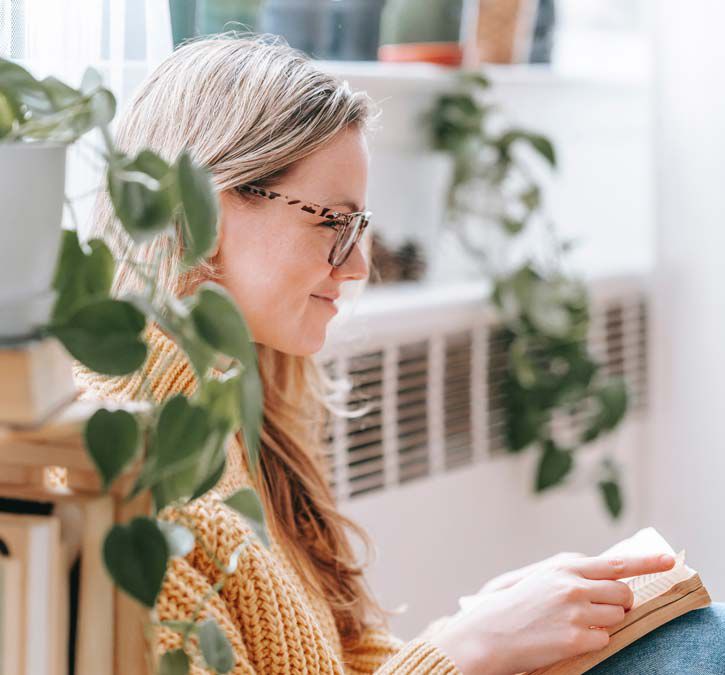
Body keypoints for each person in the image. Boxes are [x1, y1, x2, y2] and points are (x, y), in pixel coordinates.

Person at [74, 35, 725, 674]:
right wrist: (464, 651)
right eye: (332, 221)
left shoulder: (247, 421)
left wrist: (487, 628)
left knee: (700, 630)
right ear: (206, 208)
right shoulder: (130, 477)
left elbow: (337, 662)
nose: (358, 265)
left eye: (359, 227)